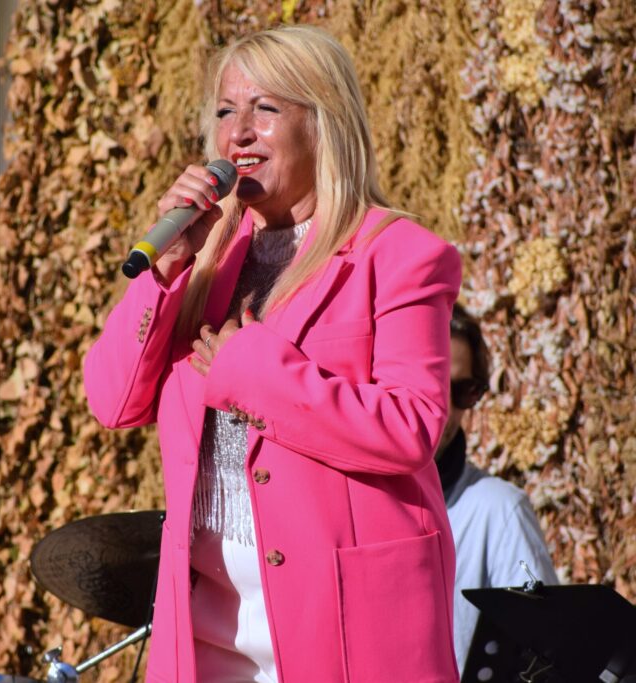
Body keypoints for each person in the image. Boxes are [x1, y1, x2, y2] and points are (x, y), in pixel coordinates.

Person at [84, 25, 461, 682]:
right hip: (206, 628)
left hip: (342, 620)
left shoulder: (400, 255)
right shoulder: (207, 259)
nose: (239, 133)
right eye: (225, 112)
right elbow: (112, 401)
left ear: (324, 123)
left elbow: (411, 426)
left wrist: (254, 372)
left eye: (265, 109)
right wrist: (166, 272)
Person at [437, 304, 557, 672]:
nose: (444, 409)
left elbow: (547, 657)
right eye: (432, 384)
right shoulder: (342, 504)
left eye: (463, 391)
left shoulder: (499, 511)